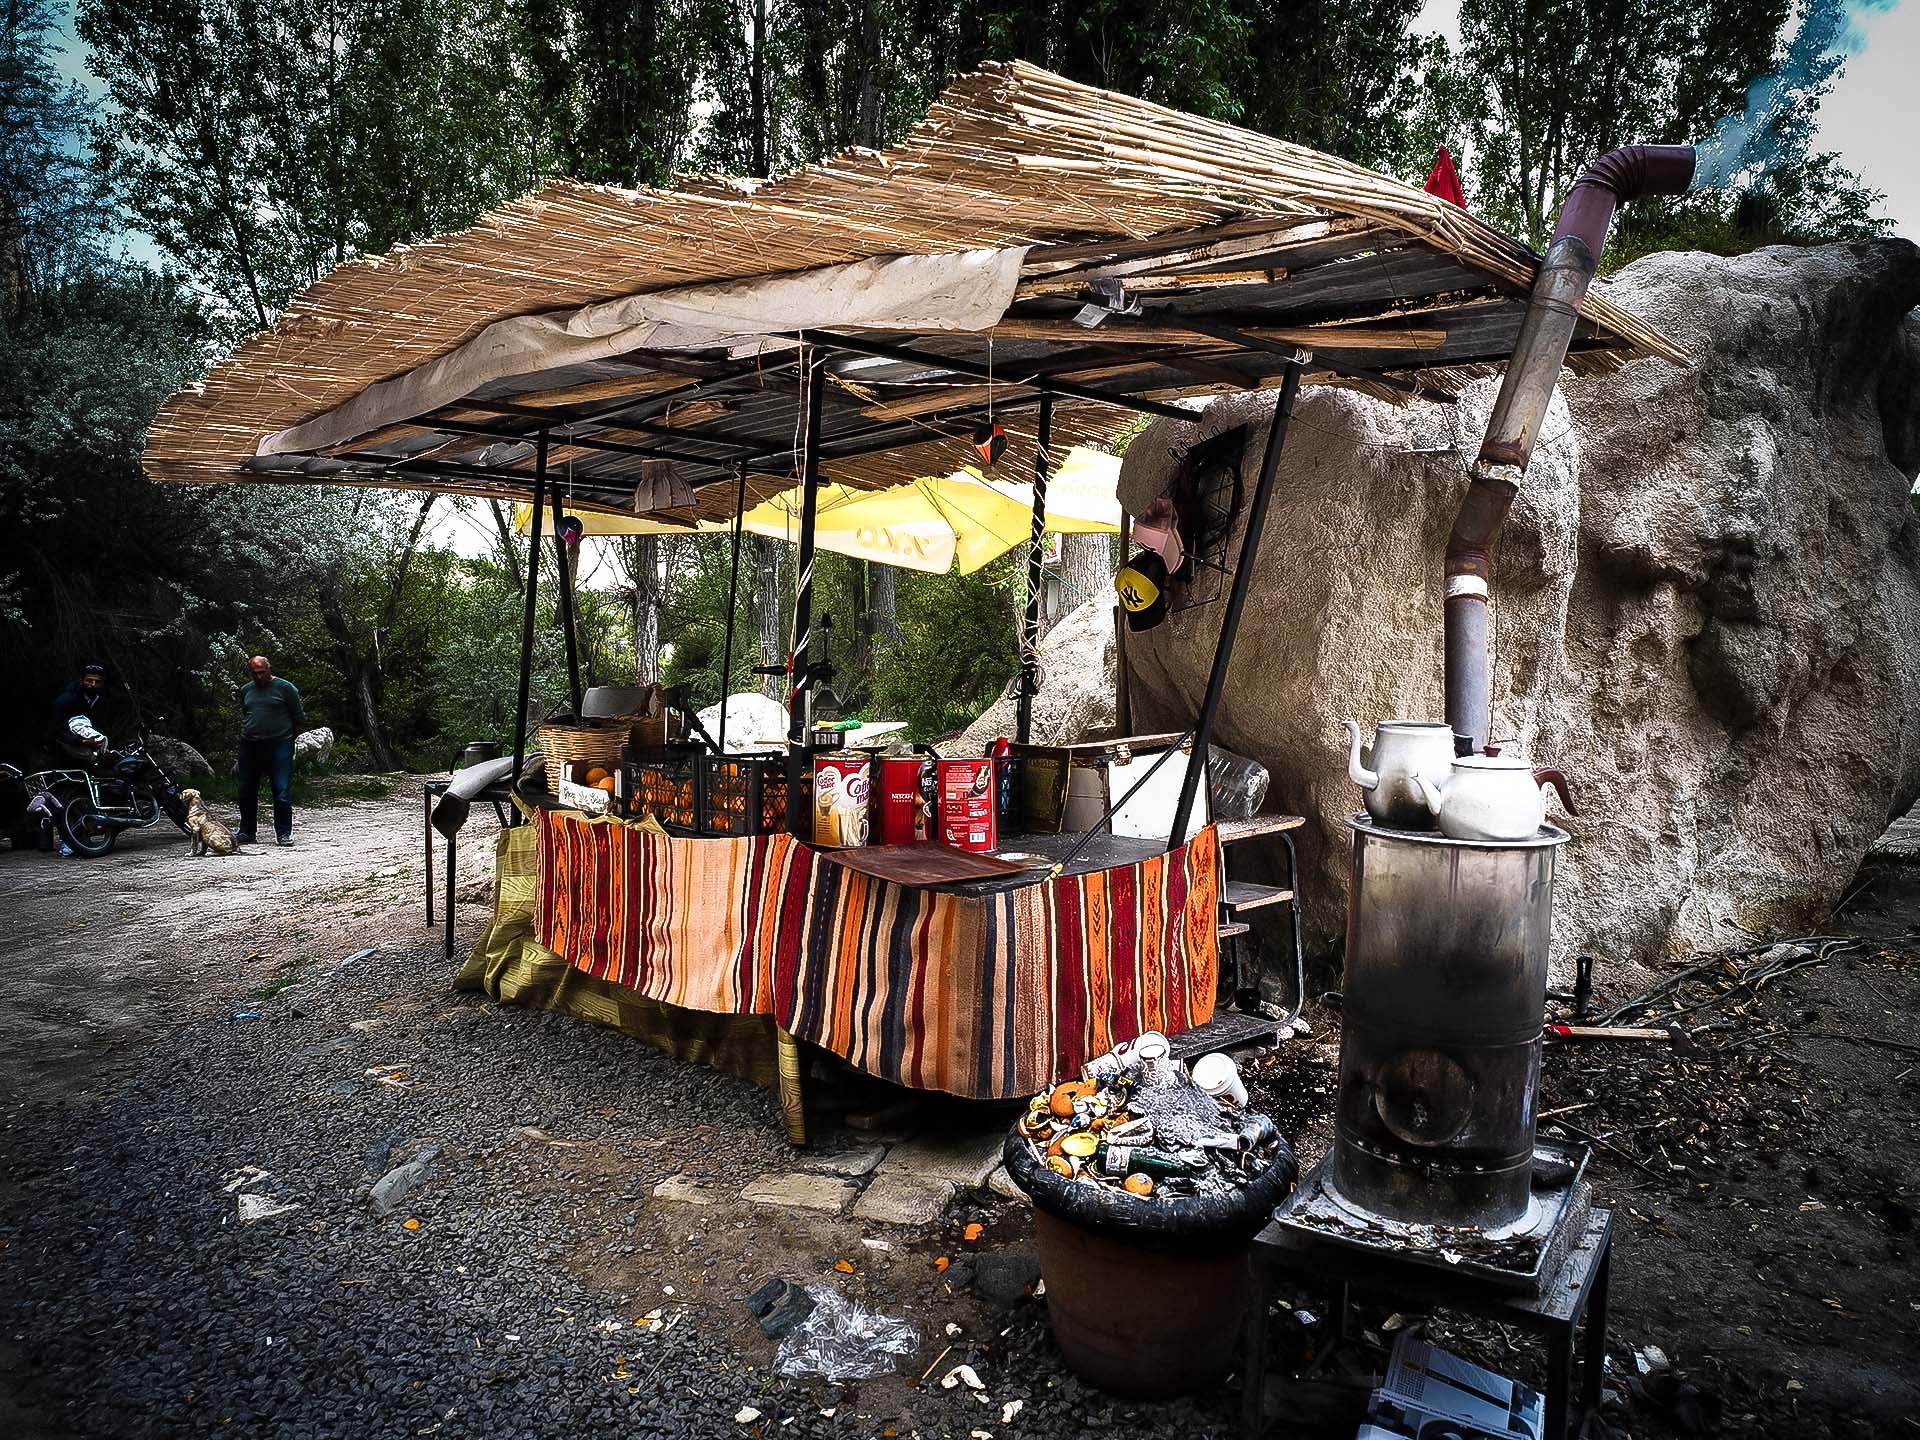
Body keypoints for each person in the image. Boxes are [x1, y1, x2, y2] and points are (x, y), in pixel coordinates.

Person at [236, 654, 306, 846]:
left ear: (269, 669)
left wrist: (289, 739)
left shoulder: (285, 688)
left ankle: (284, 833)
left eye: (262, 672)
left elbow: (298, 717)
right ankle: (247, 831)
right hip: (250, 744)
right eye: (255, 673)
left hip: (279, 743)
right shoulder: (246, 690)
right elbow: (246, 712)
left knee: (281, 789)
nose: (259, 676)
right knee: (246, 790)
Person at [49, 663, 111, 763]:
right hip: (64, 747)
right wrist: (82, 741)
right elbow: (57, 730)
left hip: (90, 749)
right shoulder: (67, 700)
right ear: (82, 680)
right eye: (89, 680)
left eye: (97, 682)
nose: (93, 684)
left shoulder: (100, 698)